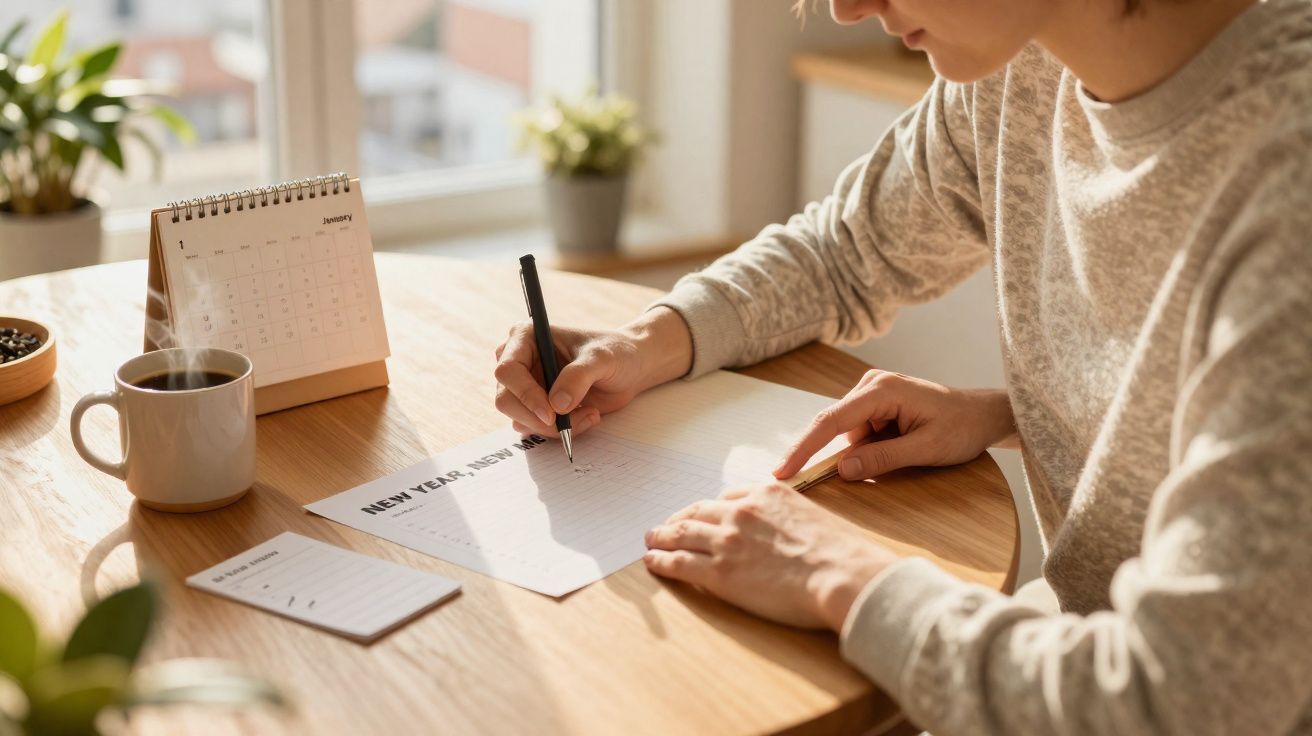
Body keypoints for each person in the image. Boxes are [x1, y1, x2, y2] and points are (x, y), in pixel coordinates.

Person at [493, 0, 1312, 732]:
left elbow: (1193, 700)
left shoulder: (1290, 175)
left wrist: (842, 574)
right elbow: (843, 252)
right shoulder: (1026, 63)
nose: (848, 9)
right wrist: (649, 342)